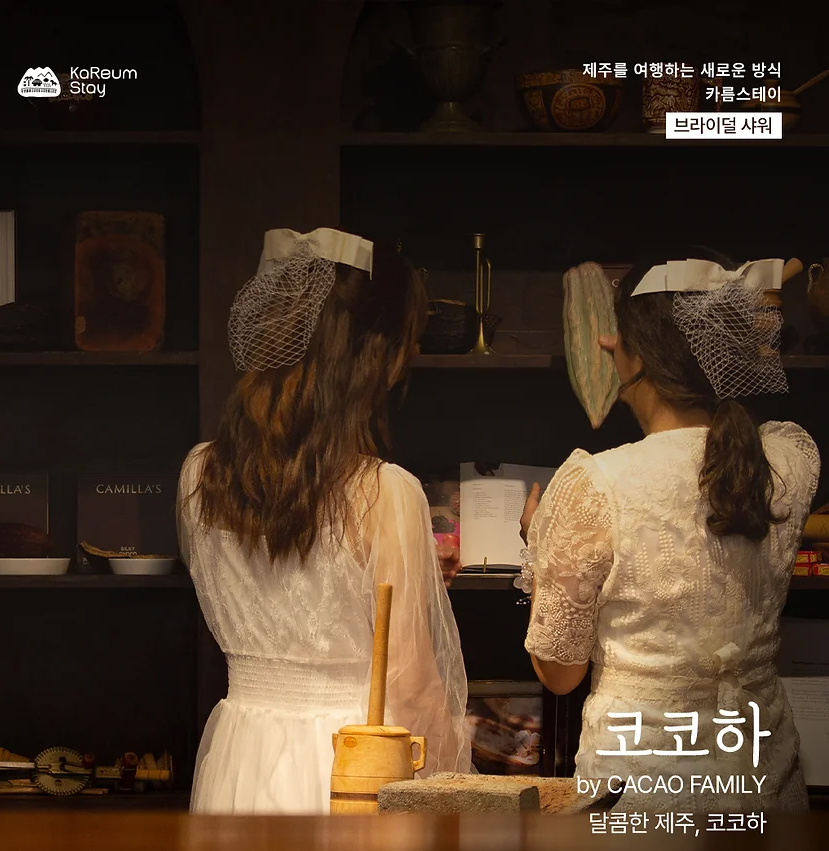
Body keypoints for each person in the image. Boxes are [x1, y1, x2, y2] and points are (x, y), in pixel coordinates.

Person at [177, 228, 471, 814]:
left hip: (242, 752)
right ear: (371, 357)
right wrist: (455, 795)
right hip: (349, 765)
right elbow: (411, 688)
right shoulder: (385, 491)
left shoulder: (198, 472)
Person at [518, 249, 819, 813]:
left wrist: (541, 547)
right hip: (764, 788)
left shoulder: (595, 485)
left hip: (641, 797)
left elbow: (559, 674)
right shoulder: (790, 463)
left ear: (635, 354)